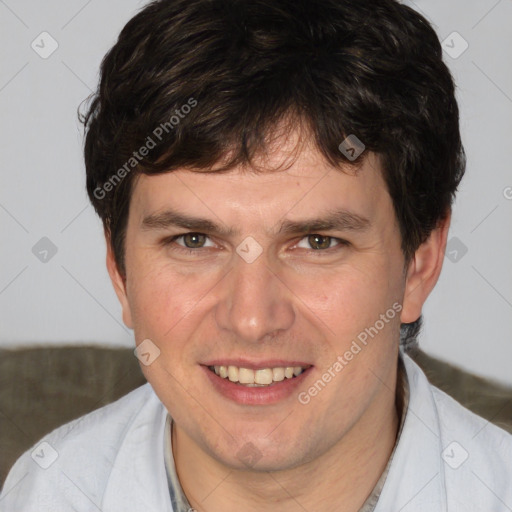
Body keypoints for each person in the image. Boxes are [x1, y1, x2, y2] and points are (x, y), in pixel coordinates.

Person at [1, 0, 511, 510]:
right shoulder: (45, 492)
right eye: (193, 241)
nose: (250, 318)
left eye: (318, 242)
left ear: (419, 264)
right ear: (119, 270)